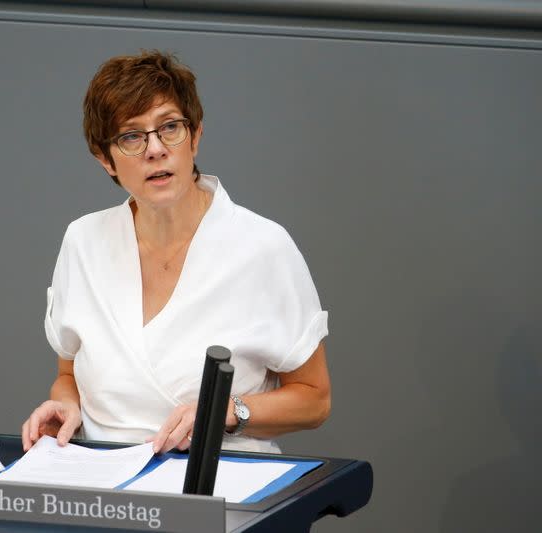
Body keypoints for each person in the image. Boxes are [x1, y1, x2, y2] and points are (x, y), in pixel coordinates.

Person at [22, 50, 330, 455]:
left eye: (169, 127)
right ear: (105, 159)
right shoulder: (83, 241)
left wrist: (226, 411)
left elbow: (314, 399)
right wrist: (67, 405)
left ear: (196, 136)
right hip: (105, 487)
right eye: (132, 136)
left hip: (221, 482)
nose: (155, 149)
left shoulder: (262, 246)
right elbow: (68, 373)